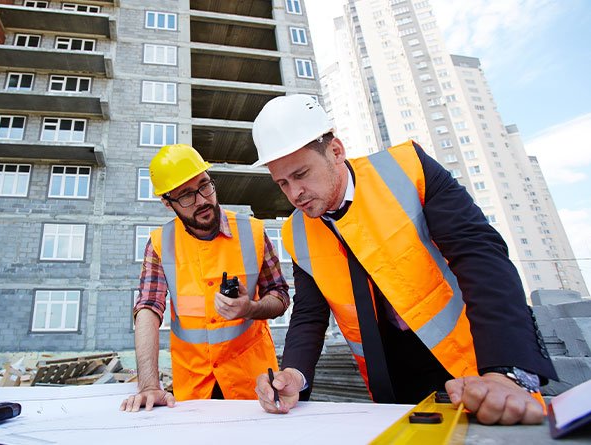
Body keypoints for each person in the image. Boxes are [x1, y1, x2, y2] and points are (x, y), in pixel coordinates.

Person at [251, 94, 557, 425]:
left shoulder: (408, 170)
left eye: (301, 174)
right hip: (391, 381)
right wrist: (294, 374)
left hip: (474, 363)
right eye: (282, 183)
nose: (294, 193)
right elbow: (309, 314)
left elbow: (480, 256)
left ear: (336, 151)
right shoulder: (296, 231)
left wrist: (505, 369)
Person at [121, 144, 290, 412]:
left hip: (254, 385)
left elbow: (280, 295)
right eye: (186, 196)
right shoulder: (160, 244)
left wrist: (251, 308)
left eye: (204, 186)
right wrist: (149, 385)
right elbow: (148, 309)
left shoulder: (253, 232)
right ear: (167, 202)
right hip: (194, 388)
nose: (202, 200)